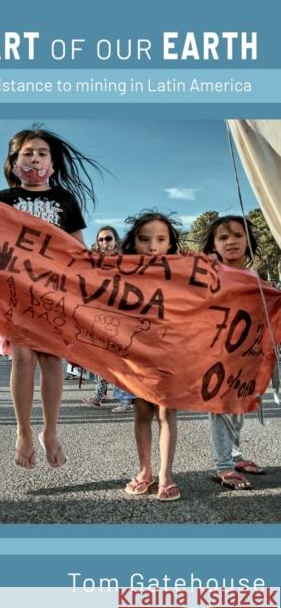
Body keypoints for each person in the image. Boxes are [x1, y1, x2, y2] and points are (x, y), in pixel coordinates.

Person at [0, 128, 100, 468]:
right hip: (16, 288)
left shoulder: (65, 199)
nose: (34, 158)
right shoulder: (1, 200)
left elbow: (78, 246)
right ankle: (23, 430)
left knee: (53, 361)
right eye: (27, 153)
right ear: (14, 160)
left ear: (52, 162)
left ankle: (50, 431)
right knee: (23, 359)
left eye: (41, 153)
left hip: (55, 289)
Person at [200, 215, 265, 490]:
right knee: (220, 408)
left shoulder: (253, 275)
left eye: (238, 235)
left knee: (238, 407)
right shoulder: (210, 273)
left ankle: (235, 456)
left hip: (247, 355)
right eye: (223, 237)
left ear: (248, 240)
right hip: (216, 352)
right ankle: (223, 466)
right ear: (213, 245)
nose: (231, 242)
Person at [122, 211, 182, 501]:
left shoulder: (183, 274)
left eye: (161, 239)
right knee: (142, 413)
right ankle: (145, 470)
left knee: (167, 413)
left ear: (171, 243)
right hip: (134, 354)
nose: (153, 246)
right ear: (134, 242)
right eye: (145, 239)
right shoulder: (120, 272)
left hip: (170, 354)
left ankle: (166, 474)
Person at [82, 226, 121, 408]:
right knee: (101, 358)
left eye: (108, 239)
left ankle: (127, 397)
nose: (105, 243)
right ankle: (101, 394)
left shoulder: (125, 262)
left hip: (122, 317)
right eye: (101, 239)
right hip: (99, 317)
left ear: (116, 241)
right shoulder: (94, 264)